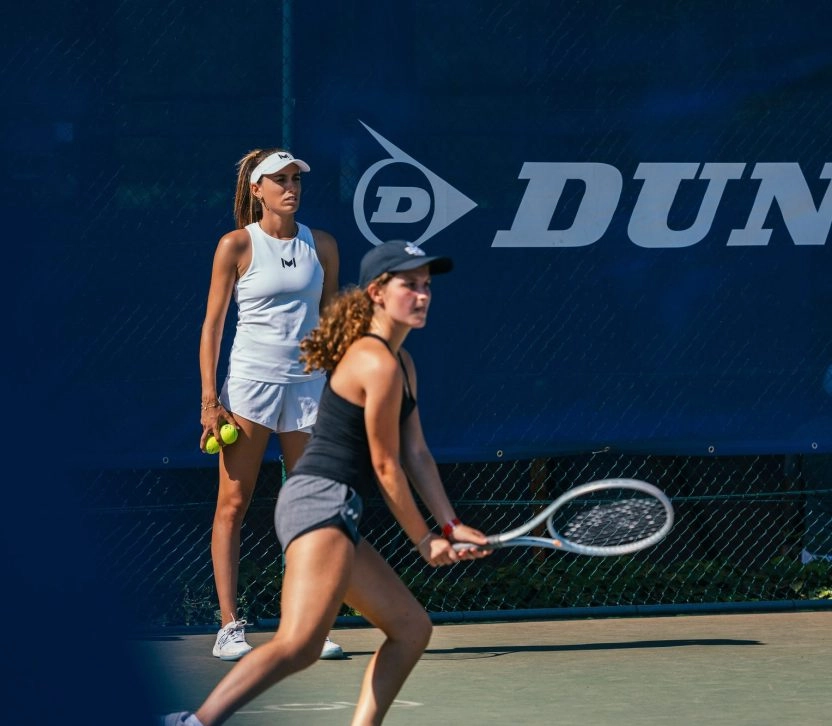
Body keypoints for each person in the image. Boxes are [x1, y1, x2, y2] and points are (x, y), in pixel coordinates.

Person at [164, 240, 492, 726]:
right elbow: (386, 466)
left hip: (336, 506)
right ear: (378, 292)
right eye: (409, 285)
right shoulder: (375, 362)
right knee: (299, 645)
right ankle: (196, 723)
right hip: (319, 501)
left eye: (426, 286)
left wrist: (450, 523)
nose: (422, 295)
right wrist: (425, 539)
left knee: (410, 628)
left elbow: (416, 452)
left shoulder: (403, 364)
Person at [199, 147, 344, 661]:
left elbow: (329, 323)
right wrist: (210, 401)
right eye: (278, 180)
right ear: (256, 190)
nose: (291, 187)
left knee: (307, 508)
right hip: (250, 389)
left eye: (295, 179)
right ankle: (229, 625)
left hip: (307, 388)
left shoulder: (321, 244)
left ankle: (306, 625)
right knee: (232, 505)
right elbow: (213, 326)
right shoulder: (236, 245)